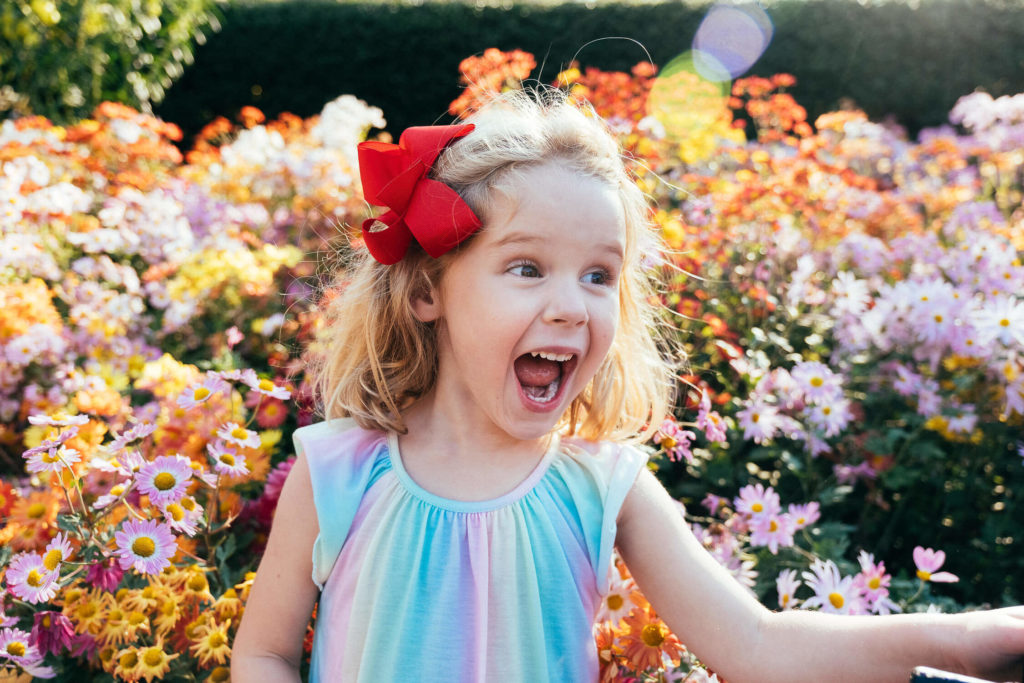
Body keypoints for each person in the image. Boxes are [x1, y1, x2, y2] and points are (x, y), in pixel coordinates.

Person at [231, 88, 1024, 683]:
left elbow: (757, 644)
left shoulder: (601, 484)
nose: (572, 305)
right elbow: (265, 651)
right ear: (427, 290)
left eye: (599, 274)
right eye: (527, 266)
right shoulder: (338, 470)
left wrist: (980, 636)